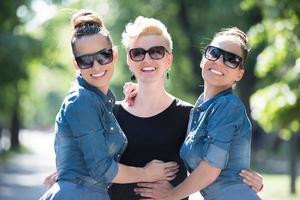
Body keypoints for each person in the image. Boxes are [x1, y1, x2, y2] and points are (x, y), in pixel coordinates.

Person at [109, 17, 263, 200]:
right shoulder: (199, 111)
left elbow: (213, 167)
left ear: (169, 59)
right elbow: (94, 167)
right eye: (138, 53)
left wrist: (171, 195)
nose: (220, 61)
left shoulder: (195, 113)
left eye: (156, 52)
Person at [39, 10, 178, 200]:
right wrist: (147, 173)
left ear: (114, 55)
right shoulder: (81, 101)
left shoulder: (103, 102)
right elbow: (101, 169)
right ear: (75, 64)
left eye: (103, 56)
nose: (96, 66)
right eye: (85, 60)